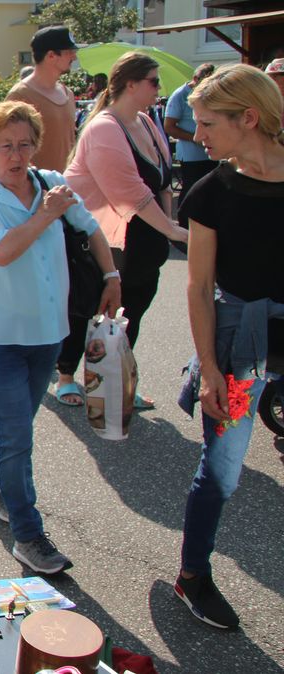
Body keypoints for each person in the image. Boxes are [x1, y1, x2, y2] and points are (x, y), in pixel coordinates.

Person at [0, 101, 120, 574]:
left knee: (17, 425)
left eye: (25, 144)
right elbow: (3, 253)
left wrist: (111, 275)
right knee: (18, 436)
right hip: (1, 337)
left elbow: (91, 231)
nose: (16, 155)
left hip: (49, 332)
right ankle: (28, 536)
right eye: (4, 146)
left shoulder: (49, 183)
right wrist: (45, 216)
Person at [175, 63, 284, 630]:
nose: (198, 134)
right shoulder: (209, 191)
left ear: (250, 117)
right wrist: (211, 368)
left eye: (207, 121)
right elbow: (196, 286)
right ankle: (192, 574)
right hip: (238, 343)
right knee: (223, 469)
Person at [65, 52, 189, 409]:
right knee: (97, 311)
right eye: (153, 81)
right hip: (110, 238)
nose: (159, 88)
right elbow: (129, 192)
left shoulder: (147, 122)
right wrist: (174, 231)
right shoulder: (105, 127)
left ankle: (113, 387)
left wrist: (169, 227)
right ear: (130, 84)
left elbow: (163, 180)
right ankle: (69, 378)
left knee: (128, 315)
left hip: (144, 240)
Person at [6, 25, 78, 172]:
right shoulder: (20, 96)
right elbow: (8, 147)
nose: (74, 56)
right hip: (38, 188)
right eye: (69, 52)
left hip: (67, 186)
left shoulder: (68, 93)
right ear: (51, 55)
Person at [165, 64, 218, 203]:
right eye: (206, 82)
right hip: (191, 155)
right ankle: (184, 222)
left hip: (211, 153)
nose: (209, 86)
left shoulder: (209, 94)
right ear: (195, 78)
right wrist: (196, 139)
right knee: (191, 190)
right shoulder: (179, 95)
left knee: (210, 191)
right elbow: (169, 127)